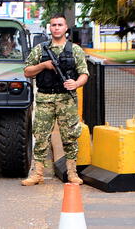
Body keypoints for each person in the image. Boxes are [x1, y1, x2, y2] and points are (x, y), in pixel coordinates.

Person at [21, 13, 89, 186]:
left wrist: (76, 84)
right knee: (41, 136)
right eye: (53, 25)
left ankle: (72, 173)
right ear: (49, 28)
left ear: (66, 28)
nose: (57, 28)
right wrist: (44, 65)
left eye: (60, 25)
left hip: (67, 99)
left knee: (70, 136)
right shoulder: (40, 49)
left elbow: (84, 74)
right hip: (45, 98)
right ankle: (38, 174)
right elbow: (27, 71)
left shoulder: (75, 50)